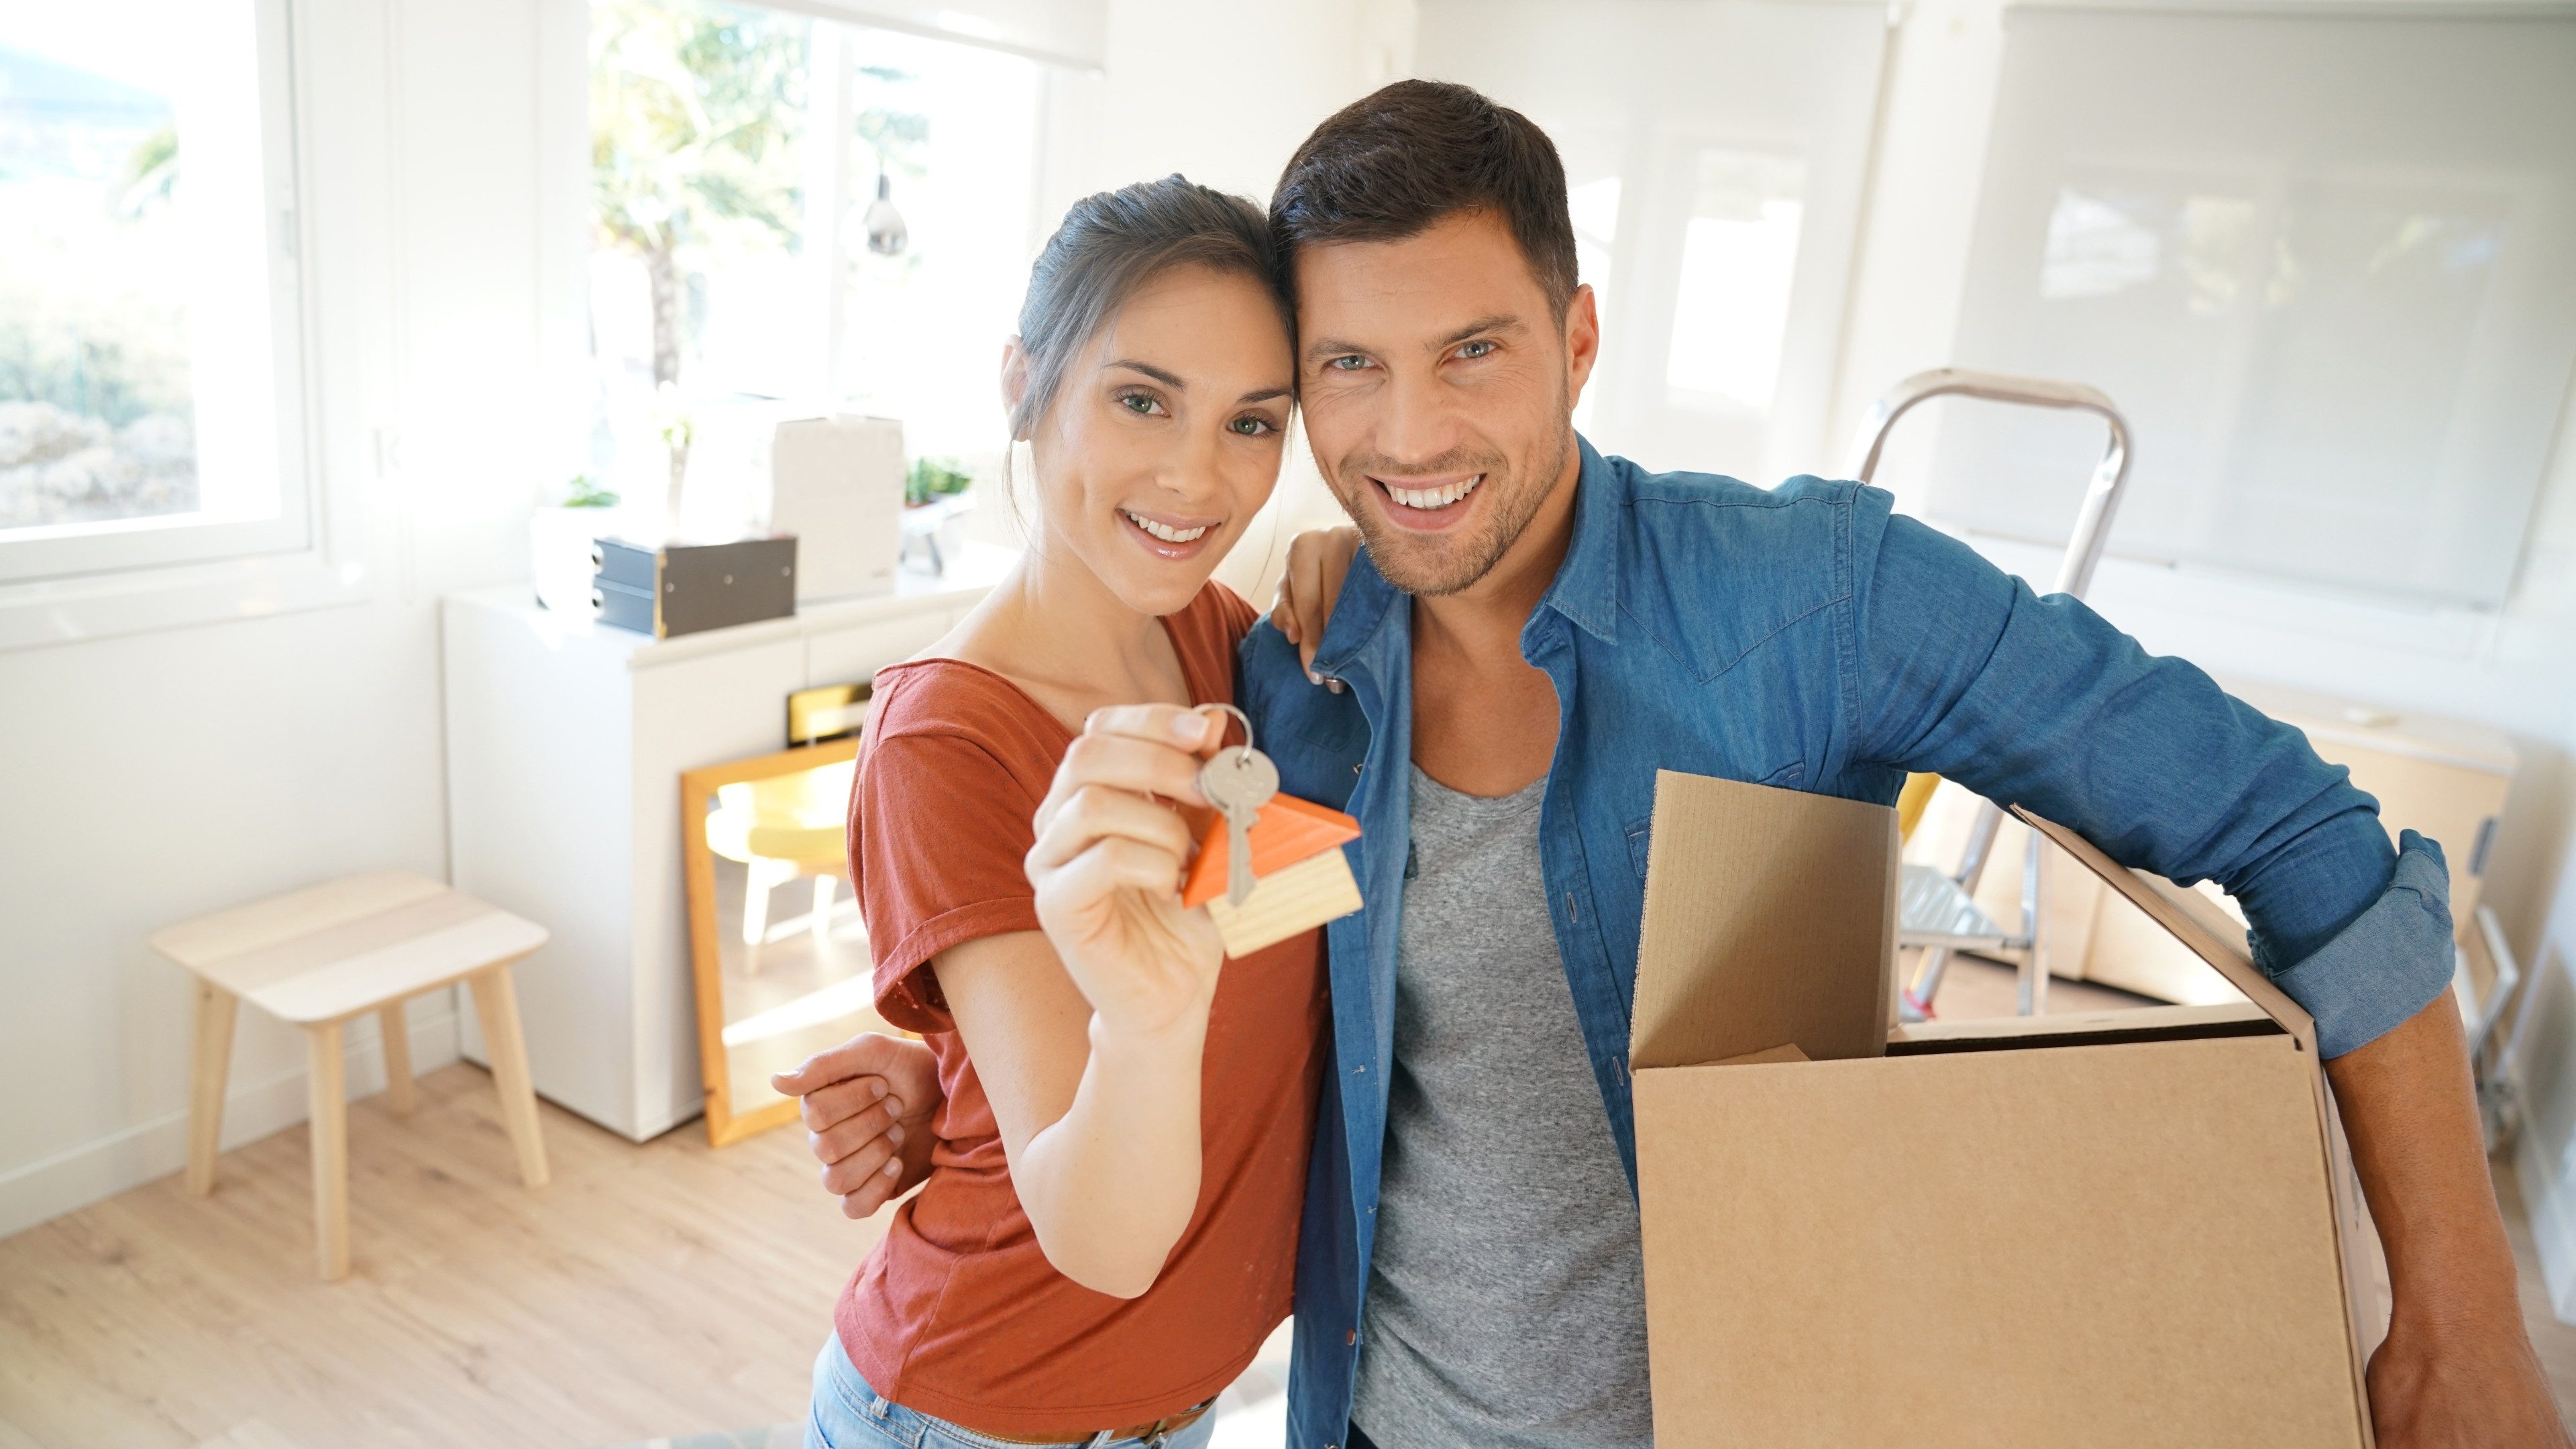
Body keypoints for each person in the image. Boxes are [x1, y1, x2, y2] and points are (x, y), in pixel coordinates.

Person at [786, 84, 2567, 1448]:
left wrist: (2468, 1317)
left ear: (1575, 338)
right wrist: (950, 1066)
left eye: (1471, 353)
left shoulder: (1824, 596)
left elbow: (2304, 836)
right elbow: (1162, 1001)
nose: (1408, 439)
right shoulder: (1288, 673)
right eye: (1345, 376)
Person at [780, 173, 1332, 1449]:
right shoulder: (947, 744)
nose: (1199, 478)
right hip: (983, 1409)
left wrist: (1369, 602)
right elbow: (1103, 1239)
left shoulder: (1217, 638)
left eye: (1253, 423)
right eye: (1142, 400)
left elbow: (1293, 950)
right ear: (1025, 385)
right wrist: (1138, 1027)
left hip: (1165, 1411)